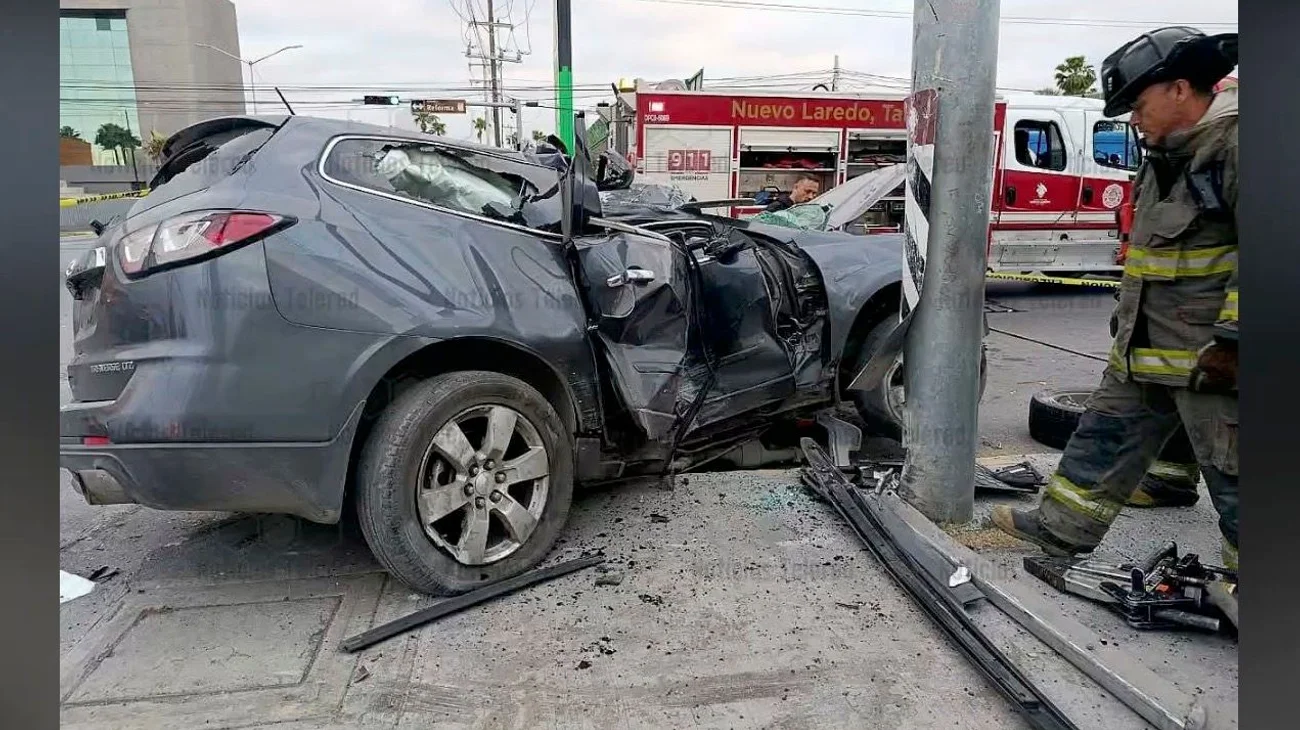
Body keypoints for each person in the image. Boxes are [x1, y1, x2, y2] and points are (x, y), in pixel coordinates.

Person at [991, 26, 1239, 569]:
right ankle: (1059, 531)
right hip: (1145, 346)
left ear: (1179, 89)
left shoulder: (1242, 145)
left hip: (1210, 360)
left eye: (1138, 103)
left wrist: (1233, 343)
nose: (1131, 118)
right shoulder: (1163, 156)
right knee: (1102, 435)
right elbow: (1150, 252)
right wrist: (1126, 318)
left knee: (1237, 477)